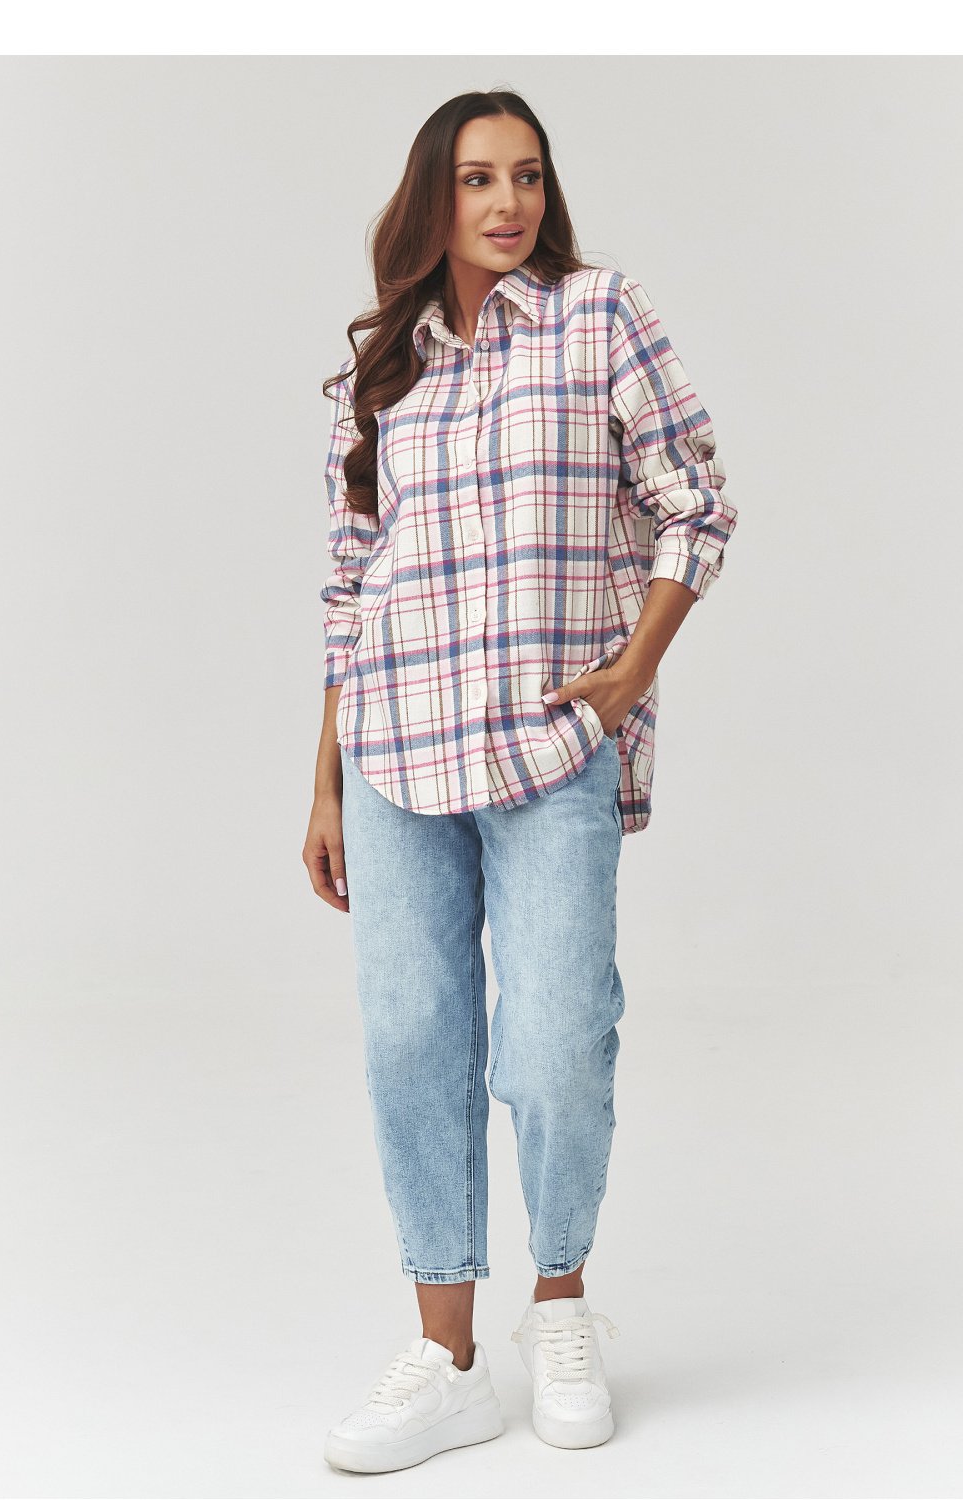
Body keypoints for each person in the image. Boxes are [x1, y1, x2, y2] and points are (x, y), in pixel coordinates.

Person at [304, 89, 738, 1475]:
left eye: (530, 177)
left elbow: (694, 504)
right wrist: (325, 784)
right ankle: (446, 1359)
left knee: (555, 1040)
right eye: (480, 179)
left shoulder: (600, 316)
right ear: (433, 197)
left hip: (551, 750)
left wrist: (628, 673)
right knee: (411, 1042)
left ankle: (561, 1308)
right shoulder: (381, 374)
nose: (509, 204)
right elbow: (351, 590)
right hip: (394, 749)